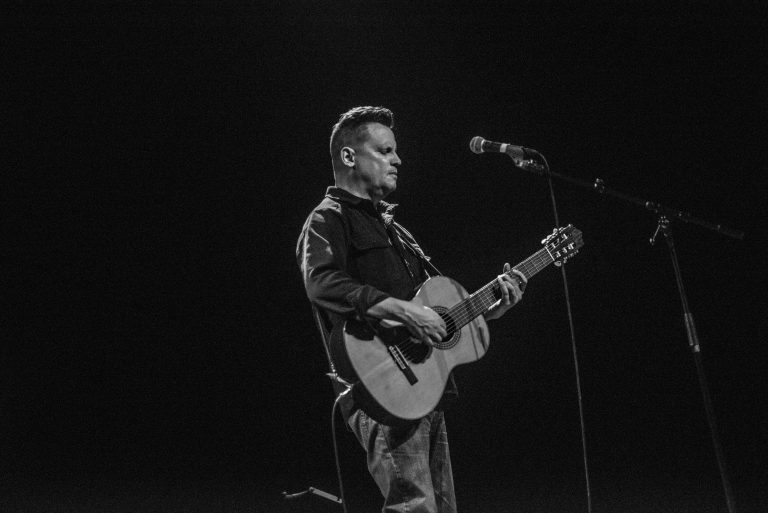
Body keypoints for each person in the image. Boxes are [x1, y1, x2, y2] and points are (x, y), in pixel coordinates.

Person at [296, 106, 527, 513]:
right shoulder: (327, 219)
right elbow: (322, 282)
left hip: (422, 391)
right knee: (414, 508)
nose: (397, 160)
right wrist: (404, 312)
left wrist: (489, 310)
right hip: (381, 389)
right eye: (385, 150)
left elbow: (436, 313)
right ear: (349, 157)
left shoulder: (397, 232)